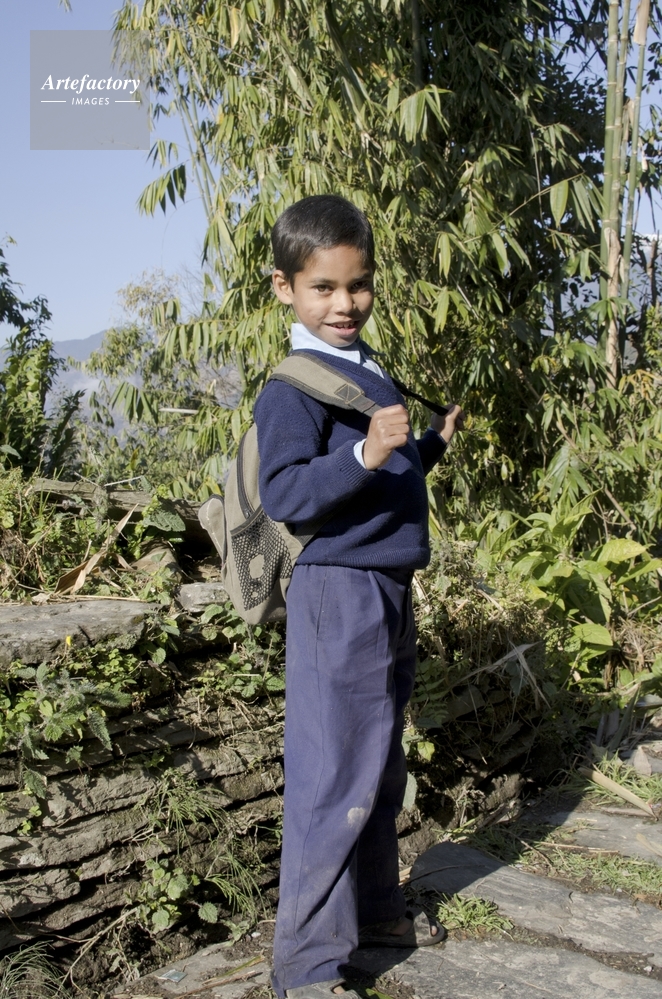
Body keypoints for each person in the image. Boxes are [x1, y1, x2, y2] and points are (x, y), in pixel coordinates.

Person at [253, 194, 465, 999]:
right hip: (338, 591)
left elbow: (384, 475)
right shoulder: (292, 389)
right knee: (331, 776)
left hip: (386, 586)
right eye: (324, 287)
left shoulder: (366, 367)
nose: (344, 303)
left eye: (358, 284)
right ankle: (308, 968)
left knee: (376, 765)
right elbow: (287, 493)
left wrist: (428, 446)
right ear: (285, 288)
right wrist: (368, 455)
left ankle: (375, 915)